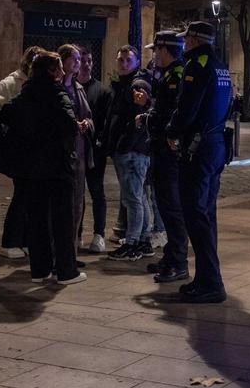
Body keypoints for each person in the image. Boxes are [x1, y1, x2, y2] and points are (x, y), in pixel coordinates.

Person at [0, 52, 86, 285]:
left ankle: (39, 270)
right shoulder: (57, 93)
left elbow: (5, 114)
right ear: (53, 71)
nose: (63, 73)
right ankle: (66, 272)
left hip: (31, 169)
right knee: (62, 219)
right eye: (60, 69)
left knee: (37, 220)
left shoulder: (26, 93)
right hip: (57, 166)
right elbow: (67, 124)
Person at [166, 21, 232, 303]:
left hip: (198, 147)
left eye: (185, 40)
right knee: (206, 214)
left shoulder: (196, 65)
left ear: (193, 40)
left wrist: (172, 130)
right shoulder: (221, 66)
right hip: (215, 145)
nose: (183, 45)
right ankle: (205, 279)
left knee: (195, 215)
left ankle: (211, 283)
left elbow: (188, 108)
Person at [139, 31, 190, 283]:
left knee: (172, 207)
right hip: (161, 149)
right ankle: (171, 256)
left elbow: (170, 113)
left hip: (169, 152)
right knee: (166, 205)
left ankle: (179, 261)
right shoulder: (168, 74)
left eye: (155, 50)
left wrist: (146, 118)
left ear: (165, 49)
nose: (153, 55)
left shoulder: (177, 75)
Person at [0, 45, 46, 259]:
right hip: (21, 148)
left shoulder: (37, 84)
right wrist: (10, 122)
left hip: (35, 149)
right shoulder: (11, 83)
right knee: (21, 195)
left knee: (31, 197)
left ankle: (24, 239)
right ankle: (11, 240)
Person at [104, 45, 156, 262]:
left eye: (128, 60)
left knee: (133, 198)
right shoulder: (125, 84)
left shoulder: (136, 84)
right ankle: (143, 240)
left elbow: (142, 112)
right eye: (121, 59)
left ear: (136, 62)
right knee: (139, 196)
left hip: (133, 151)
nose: (123, 63)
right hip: (132, 149)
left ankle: (133, 243)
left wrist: (127, 142)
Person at [58, 44, 95, 265]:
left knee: (77, 203)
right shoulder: (57, 88)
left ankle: (71, 252)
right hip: (62, 154)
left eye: (79, 59)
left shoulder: (79, 89)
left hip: (79, 154)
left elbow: (89, 117)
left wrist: (85, 124)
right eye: (74, 59)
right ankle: (58, 252)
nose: (78, 63)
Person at [79, 48, 112, 252]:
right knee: (77, 194)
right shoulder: (70, 88)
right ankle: (77, 232)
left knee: (97, 191)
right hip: (75, 150)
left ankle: (99, 234)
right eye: (82, 60)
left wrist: (101, 142)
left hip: (94, 150)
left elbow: (106, 121)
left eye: (89, 60)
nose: (86, 64)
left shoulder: (102, 90)